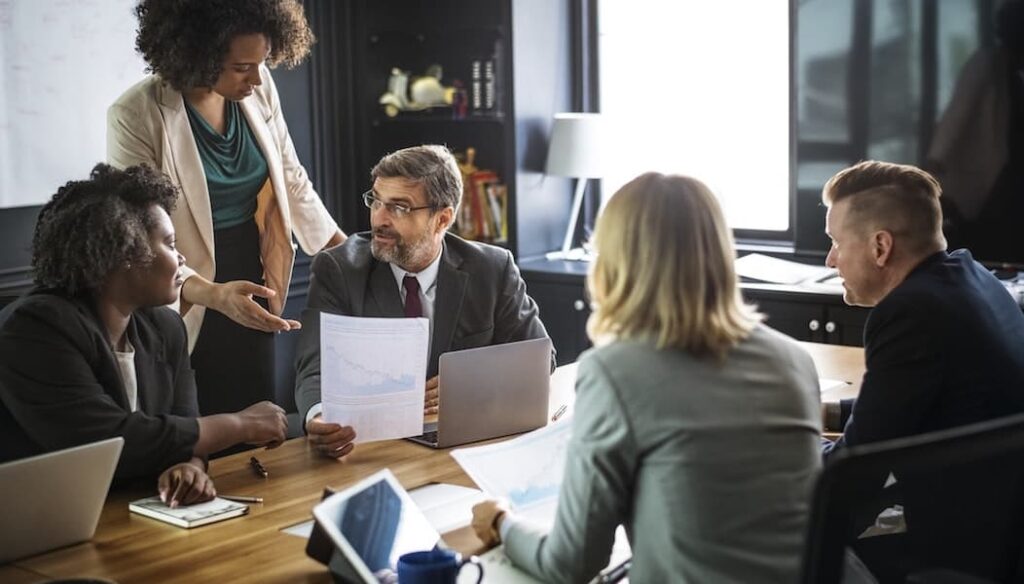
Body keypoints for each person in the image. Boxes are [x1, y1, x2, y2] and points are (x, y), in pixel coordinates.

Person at [470, 172, 823, 582]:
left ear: (613, 261)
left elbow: (570, 563)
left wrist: (501, 523)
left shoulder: (615, 371)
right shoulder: (794, 358)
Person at [107, 0, 346, 417]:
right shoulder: (135, 114)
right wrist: (213, 294)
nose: (256, 78)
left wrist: (346, 254)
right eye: (241, 67)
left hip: (250, 270)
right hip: (178, 282)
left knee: (255, 412)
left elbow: (292, 179)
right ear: (197, 52)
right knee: (196, 420)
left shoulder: (259, 85)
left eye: (262, 62)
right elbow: (138, 236)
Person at [0, 164, 288, 508]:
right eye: (169, 243)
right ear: (124, 254)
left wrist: (188, 466)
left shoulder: (165, 328)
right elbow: (110, 441)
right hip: (42, 521)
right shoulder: (35, 328)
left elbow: (182, 428)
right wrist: (239, 425)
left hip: (133, 516)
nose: (181, 258)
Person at [294, 145, 552, 458]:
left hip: (462, 445)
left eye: (399, 207)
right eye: (375, 200)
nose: (380, 218)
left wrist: (467, 384)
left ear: (442, 219)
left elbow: (539, 359)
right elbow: (314, 365)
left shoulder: (491, 269)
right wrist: (318, 416)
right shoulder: (339, 269)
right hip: (372, 448)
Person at [820, 160, 1024, 451]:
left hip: (965, 495)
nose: (830, 259)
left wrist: (786, 442)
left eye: (836, 242)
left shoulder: (911, 314)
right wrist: (825, 412)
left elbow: (853, 472)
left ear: (880, 247)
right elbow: (899, 403)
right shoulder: (972, 276)